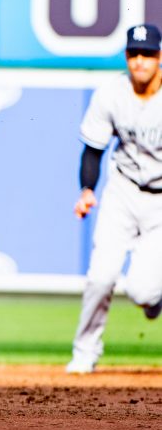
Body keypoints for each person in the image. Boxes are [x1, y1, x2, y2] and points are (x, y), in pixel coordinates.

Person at [67, 23, 162, 374]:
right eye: (134, 54)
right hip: (122, 193)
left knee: (142, 292)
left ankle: (154, 299)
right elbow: (93, 150)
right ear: (126, 57)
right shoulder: (112, 94)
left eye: (148, 54)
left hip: (160, 202)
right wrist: (87, 190)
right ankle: (85, 352)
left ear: (159, 57)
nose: (140, 61)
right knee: (101, 276)